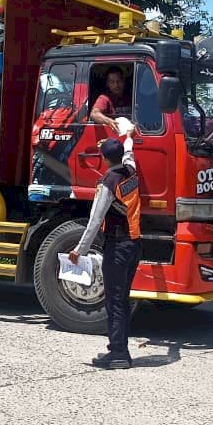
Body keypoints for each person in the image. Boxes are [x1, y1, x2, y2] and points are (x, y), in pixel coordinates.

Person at [69, 120, 141, 369]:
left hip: (118, 245)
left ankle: (119, 353)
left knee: (115, 301)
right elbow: (129, 152)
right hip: (134, 244)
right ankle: (119, 349)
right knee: (122, 299)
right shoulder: (130, 171)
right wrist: (128, 136)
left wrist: (79, 250)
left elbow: (95, 220)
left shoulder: (107, 182)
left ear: (104, 158)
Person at [90, 67, 132, 133]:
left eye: (119, 81)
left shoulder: (130, 97)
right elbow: (94, 114)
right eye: (112, 82)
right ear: (107, 84)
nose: (116, 85)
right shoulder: (104, 98)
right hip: (115, 134)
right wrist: (109, 121)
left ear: (123, 81)